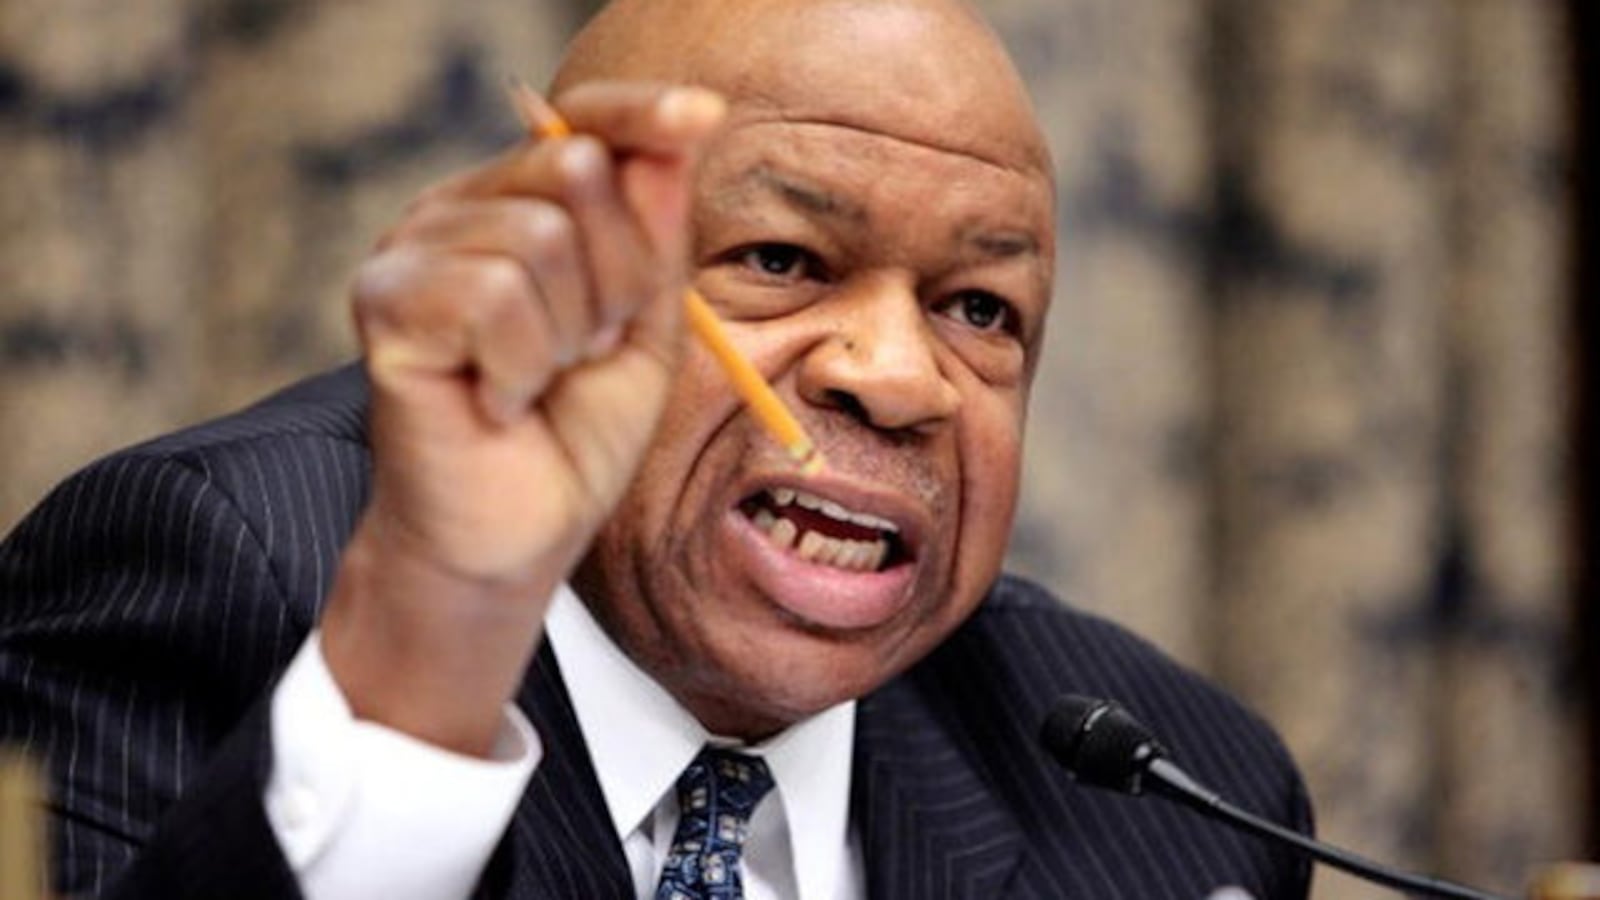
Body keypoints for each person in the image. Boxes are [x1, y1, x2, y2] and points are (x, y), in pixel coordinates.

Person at [0, 0, 1313, 897]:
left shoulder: (1159, 789)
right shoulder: (212, 575)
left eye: (979, 309)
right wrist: (434, 632)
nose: (900, 379)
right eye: (785, 261)